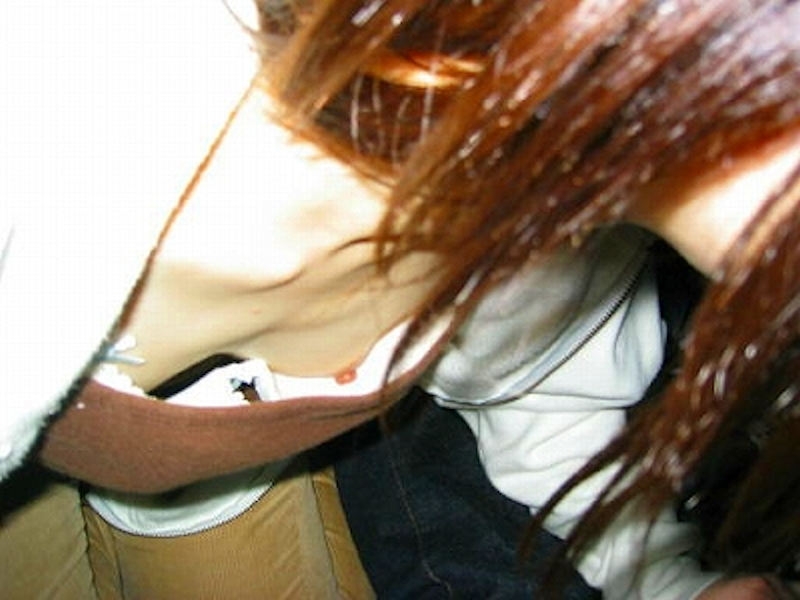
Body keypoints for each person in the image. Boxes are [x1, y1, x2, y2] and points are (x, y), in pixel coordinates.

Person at [1, 0, 798, 598]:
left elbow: (556, 419)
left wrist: (665, 580)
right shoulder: (65, 105)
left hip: (199, 494)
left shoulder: (570, 238)